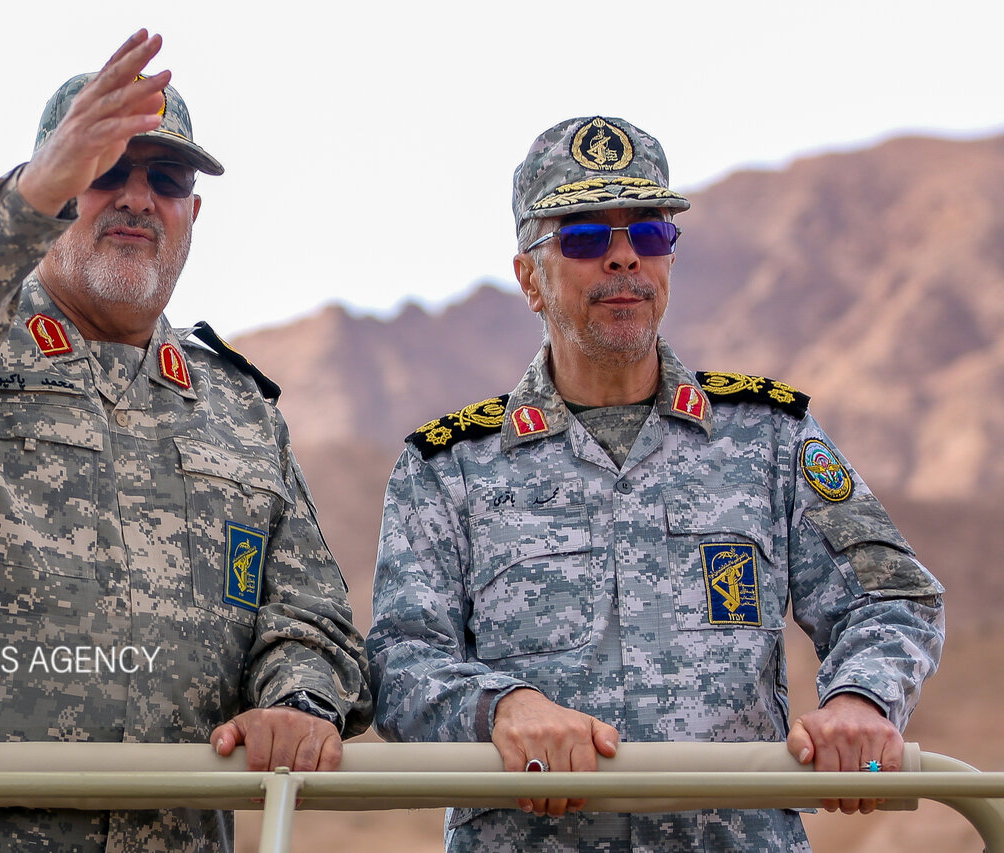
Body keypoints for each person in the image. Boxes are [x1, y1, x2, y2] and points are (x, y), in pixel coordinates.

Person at [0, 31, 371, 853]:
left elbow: (307, 613)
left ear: (193, 211)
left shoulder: (237, 405)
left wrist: (297, 702)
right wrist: (32, 190)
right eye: (105, 170)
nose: (136, 197)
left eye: (166, 179)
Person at [366, 114, 944, 851]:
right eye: (582, 238)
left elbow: (891, 596)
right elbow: (396, 661)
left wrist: (862, 699)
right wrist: (501, 707)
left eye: (648, 233)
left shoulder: (770, 436)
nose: (622, 259)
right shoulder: (448, 468)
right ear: (529, 278)